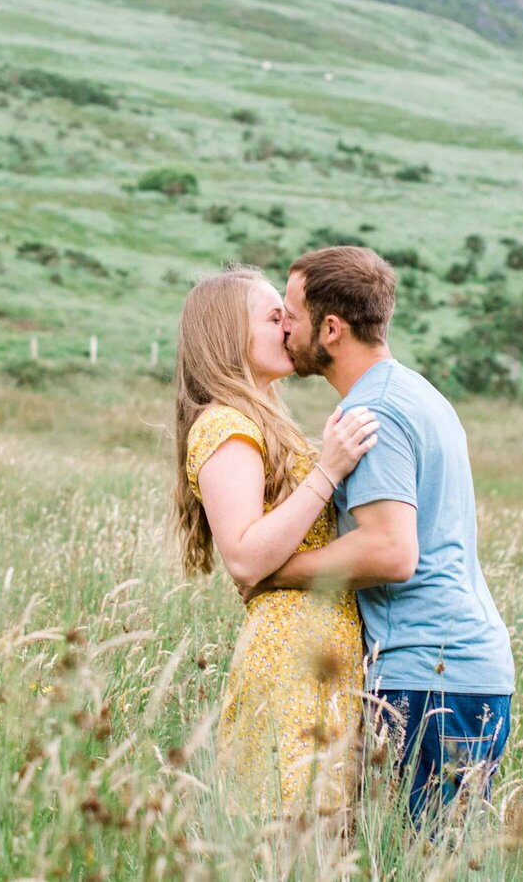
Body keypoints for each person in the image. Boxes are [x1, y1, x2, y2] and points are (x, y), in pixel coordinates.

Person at [251, 245, 515, 823]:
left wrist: (278, 573)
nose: (284, 326)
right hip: (459, 675)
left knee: (415, 860)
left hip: (430, 679)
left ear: (331, 328)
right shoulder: (414, 393)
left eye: (291, 313)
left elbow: (392, 551)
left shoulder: (376, 414)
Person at [170, 265, 380, 817]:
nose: (290, 326)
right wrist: (328, 470)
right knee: (289, 835)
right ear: (229, 336)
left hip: (318, 651)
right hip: (288, 653)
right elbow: (243, 556)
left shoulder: (262, 419)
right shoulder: (225, 427)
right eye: (274, 317)